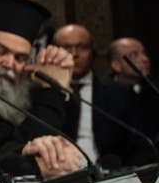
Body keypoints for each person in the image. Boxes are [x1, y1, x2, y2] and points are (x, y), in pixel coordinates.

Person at [0, 0, 82, 177]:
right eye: (1, 51)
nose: (9, 64)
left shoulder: (24, 88)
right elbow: (19, 147)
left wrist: (59, 80)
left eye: (20, 58)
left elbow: (63, 143)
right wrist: (51, 90)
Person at [52, 24, 150, 165]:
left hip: (111, 173)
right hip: (58, 173)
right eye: (66, 47)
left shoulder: (119, 92)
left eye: (82, 47)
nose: (74, 54)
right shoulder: (44, 93)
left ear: (93, 52)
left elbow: (140, 145)